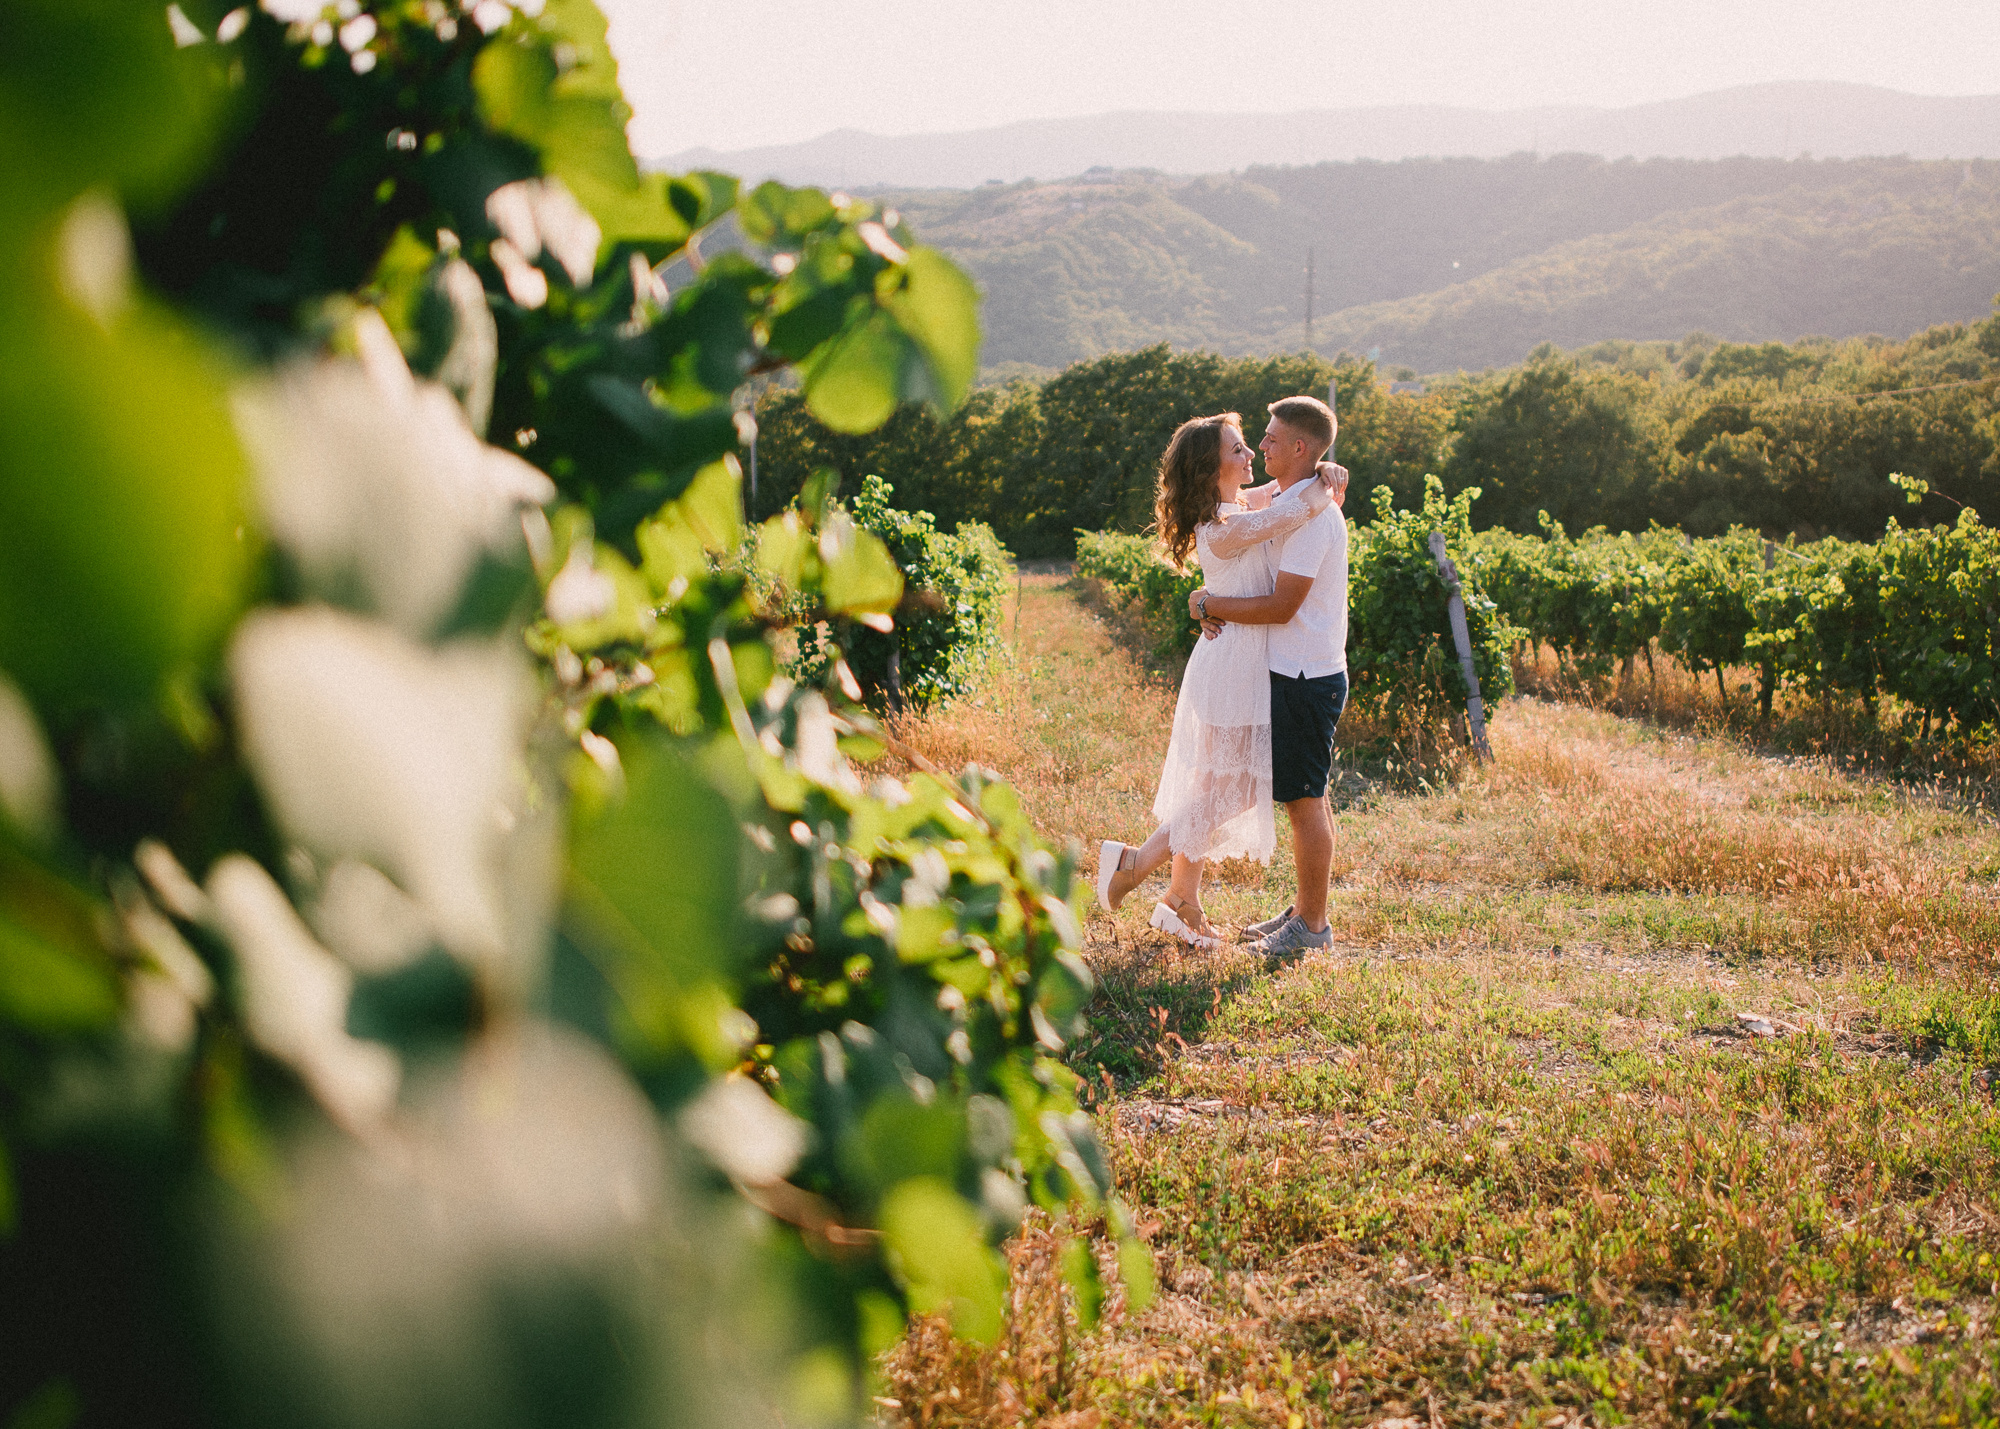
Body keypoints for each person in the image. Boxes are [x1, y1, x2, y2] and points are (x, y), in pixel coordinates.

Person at [1094, 410, 1344, 949]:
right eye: (1238, 449)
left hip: (1242, 659)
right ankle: (1137, 864)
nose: (1252, 452)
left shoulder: (1239, 508)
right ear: (1212, 471)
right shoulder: (1226, 528)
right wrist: (1324, 483)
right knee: (1236, 787)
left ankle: (1181, 899)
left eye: (1256, 443)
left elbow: (1283, 497)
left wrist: (1325, 469)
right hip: (1233, 663)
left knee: (1214, 786)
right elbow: (1294, 508)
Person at [1188, 395, 1348, 963]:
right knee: (1306, 797)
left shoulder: (1314, 515)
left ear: (1300, 447)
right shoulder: (1289, 499)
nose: (1261, 446)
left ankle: (1313, 925)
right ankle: (1305, 909)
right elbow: (1249, 514)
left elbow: (1281, 607)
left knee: (1305, 802)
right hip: (1290, 669)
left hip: (1306, 674)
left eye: (1272, 439)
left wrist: (1211, 603)